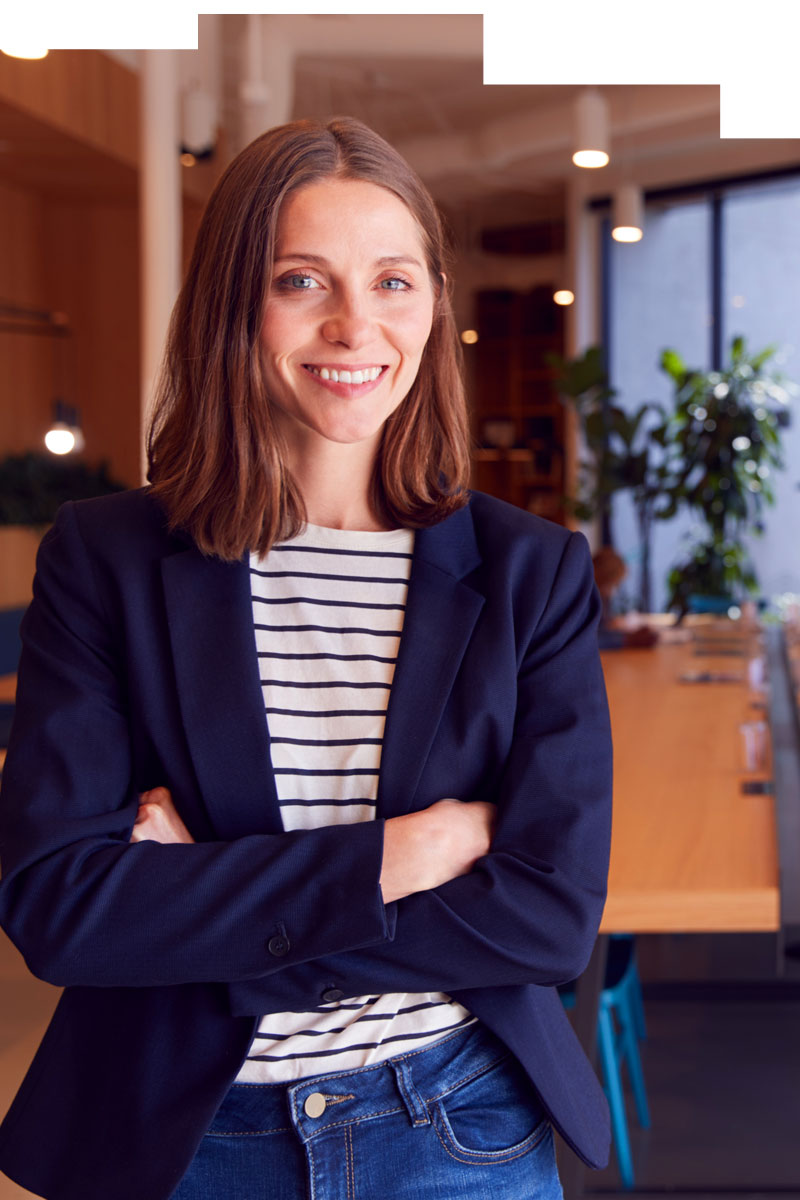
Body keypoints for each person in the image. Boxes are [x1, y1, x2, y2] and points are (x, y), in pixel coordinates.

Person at [0, 117, 613, 1200]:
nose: (353, 325)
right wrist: (401, 856)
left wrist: (203, 901)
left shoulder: (533, 575)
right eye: (300, 280)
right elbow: (62, 906)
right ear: (235, 302)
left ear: (431, 301)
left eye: (391, 281)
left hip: (455, 1125)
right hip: (187, 1140)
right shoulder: (106, 562)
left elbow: (548, 919)